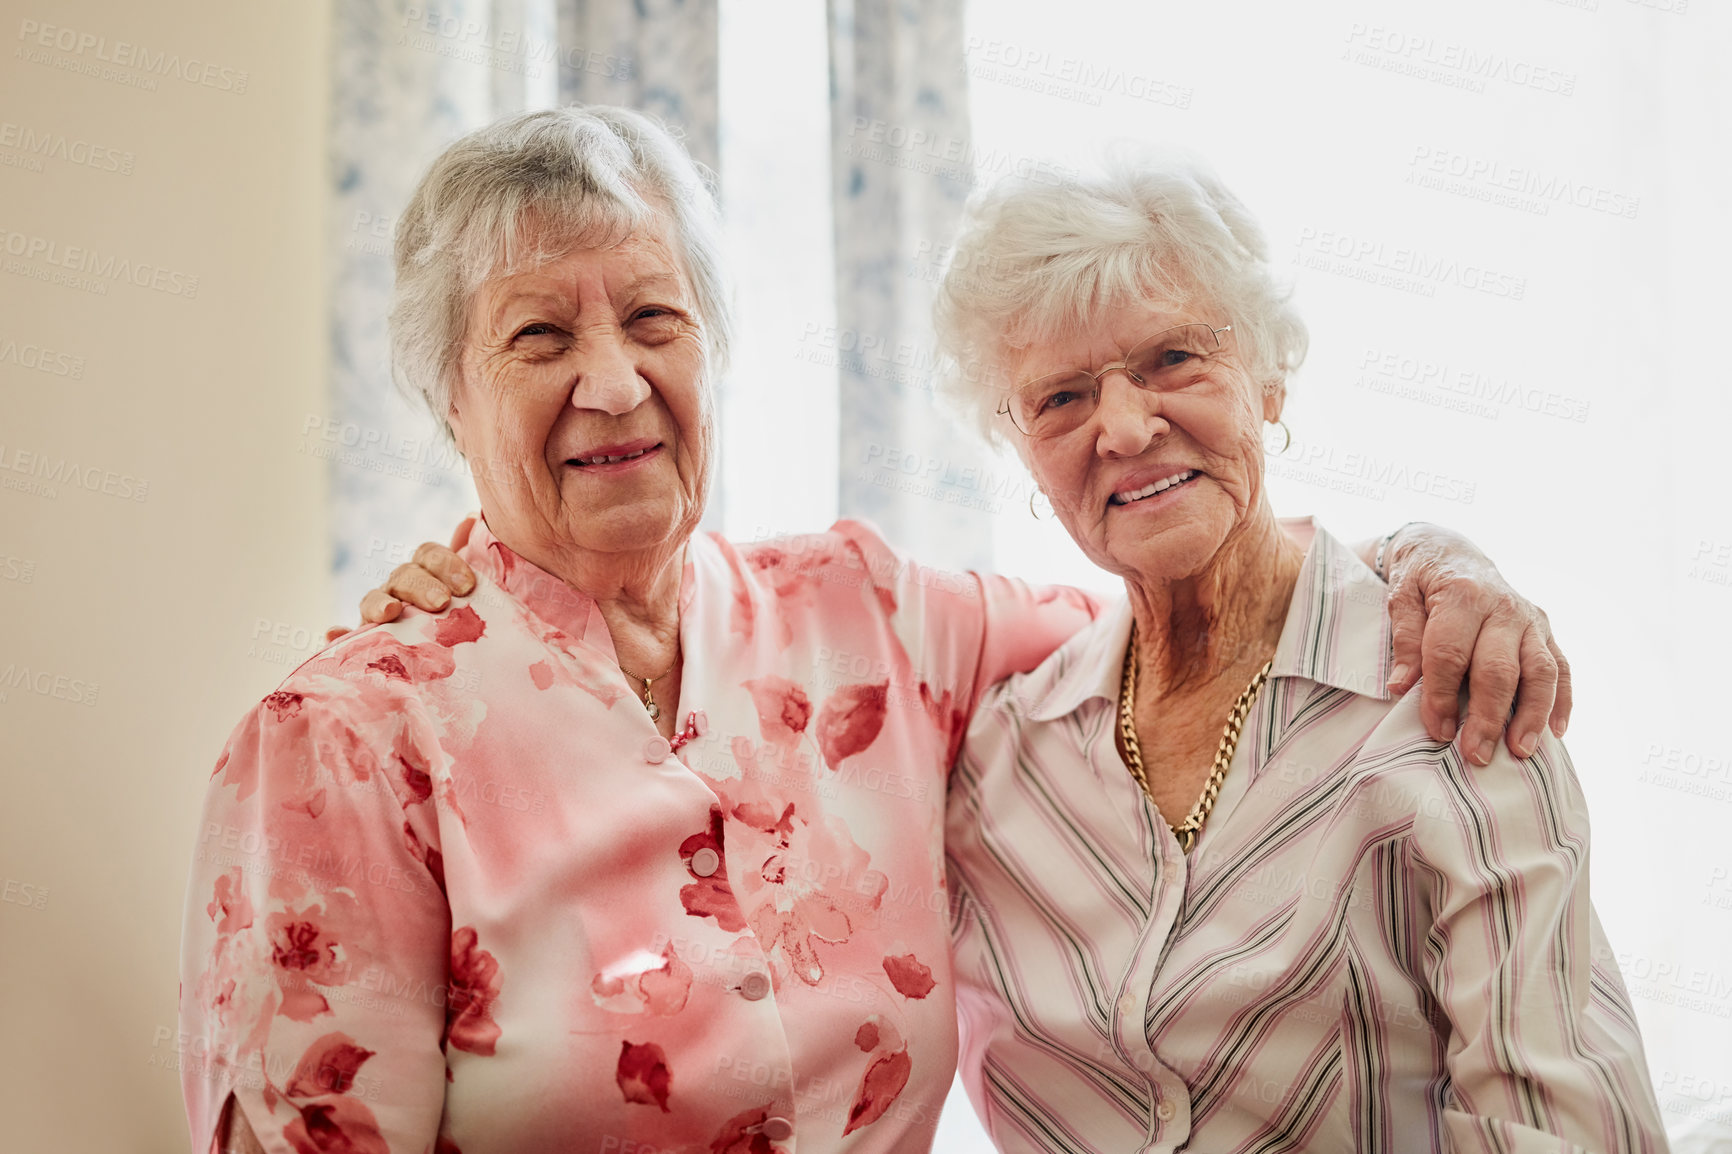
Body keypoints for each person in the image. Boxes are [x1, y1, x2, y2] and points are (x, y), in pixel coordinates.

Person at [182, 106, 1568, 1154]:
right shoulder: (347, 742)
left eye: (655, 318)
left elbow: (1192, 594)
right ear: (447, 399)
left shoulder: (869, 614)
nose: (613, 382)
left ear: (710, 353)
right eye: (539, 338)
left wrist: (1432, 568)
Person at [926, 156, 1666, 1151]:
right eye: (1061, 398)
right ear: (1017, 445)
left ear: (1269, 380)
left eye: (1173, 359)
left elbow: (1563, 1130)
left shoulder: (1446, 685)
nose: (1126, 425)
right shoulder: (996, 766)